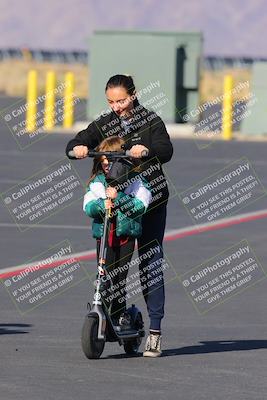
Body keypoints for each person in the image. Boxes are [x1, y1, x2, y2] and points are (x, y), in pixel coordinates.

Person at [66, 74, 173, 357]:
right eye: (111, 102)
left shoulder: (150, 122)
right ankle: (118, 317)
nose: (117, 107)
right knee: (113, 266)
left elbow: (166, 150)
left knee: (150, 264)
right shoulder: (106, 123)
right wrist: (76, 147)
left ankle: (155, 332)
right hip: (116, 204)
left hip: (148, 202)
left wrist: (146, 150)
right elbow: (81, 139)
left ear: (134, 95)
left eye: (121, 100)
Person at [83, 135, 152, 325]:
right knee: (103, 276)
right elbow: (88, 206)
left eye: (109, 162)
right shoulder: (97, 182)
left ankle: (119, 314)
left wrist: (119, 198)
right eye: (102, 162)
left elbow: (141, 205)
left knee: (119, 277)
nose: (105, 166)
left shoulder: (135, 181)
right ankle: (102, 312)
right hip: (104, 237)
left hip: (124, 237)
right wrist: (101, 204)